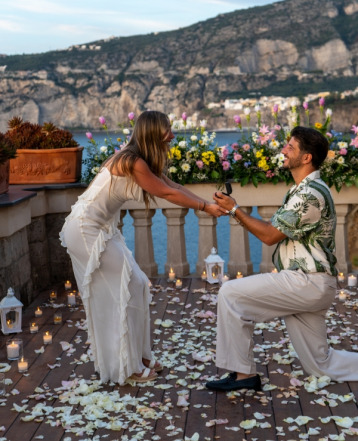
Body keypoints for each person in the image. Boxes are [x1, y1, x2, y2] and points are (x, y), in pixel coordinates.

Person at [60, 110, 225, 385]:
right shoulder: (132, 161)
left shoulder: (138, 160)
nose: (171, 136)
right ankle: (129, 366)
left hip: (99, 229)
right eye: (167, 130)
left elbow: (173, 185)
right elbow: (166, 193)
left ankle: (139, 357)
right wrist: (205, 207)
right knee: (127, 287)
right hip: (85, 231)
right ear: (153, 133)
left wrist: (208, 204)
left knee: (138, 285)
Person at [206, 126, 358, 392]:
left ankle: (243, 376)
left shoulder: (310, 195)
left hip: (306, 282)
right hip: (312, 285)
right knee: (321, 365)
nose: (283, 150)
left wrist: (235, 210)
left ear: (307, 157)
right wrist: (237, 211)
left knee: (230, 293)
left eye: (290, 147)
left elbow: (270, 235)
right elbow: (271, 230)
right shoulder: (300, 190)